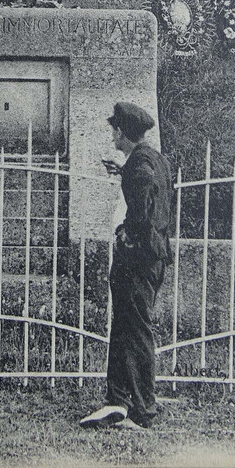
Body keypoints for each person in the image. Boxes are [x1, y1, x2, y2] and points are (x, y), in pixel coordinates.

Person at [80, 101, 173, 430]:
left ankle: (142, 410)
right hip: (153, 256)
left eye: (114, 130)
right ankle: (119, 400)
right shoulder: (153, 158)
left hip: (138, 257)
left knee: (135, 332)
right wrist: (123, 171)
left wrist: (128, 232)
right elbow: (150, 187)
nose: (112, 136)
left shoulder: (140, 165)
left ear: (121, 132)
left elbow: (145, 192)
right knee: (124, 328)